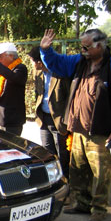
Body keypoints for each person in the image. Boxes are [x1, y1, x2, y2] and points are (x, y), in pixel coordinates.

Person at [40, 28, 111, 221]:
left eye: (86, 46)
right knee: (78, 170)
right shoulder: (79, 62)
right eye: (81, 46)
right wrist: (46, 51)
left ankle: (99, 208)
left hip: (101, 133)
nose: (82, 50)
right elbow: (57, 64)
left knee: (101, 173)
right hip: (79, 130)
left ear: (99, 46)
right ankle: (81, 203)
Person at [28, 46, 71, 179]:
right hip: (43, 118)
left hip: (59, 120)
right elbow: (39, 93)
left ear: (40, 62)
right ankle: (52, 179)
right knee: (47, 151)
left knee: (62, 153)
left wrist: (66, 120)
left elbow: (70, 97)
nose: (31, 64)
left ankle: (65, 180)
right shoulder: (38, 74)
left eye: (32, 61)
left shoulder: (60, 73)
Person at [0, 43, 27, 136]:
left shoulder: (20, 68)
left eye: (0, 57)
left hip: (11, 120)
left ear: (11, 56)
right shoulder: (0, 69)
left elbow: (13, 77)